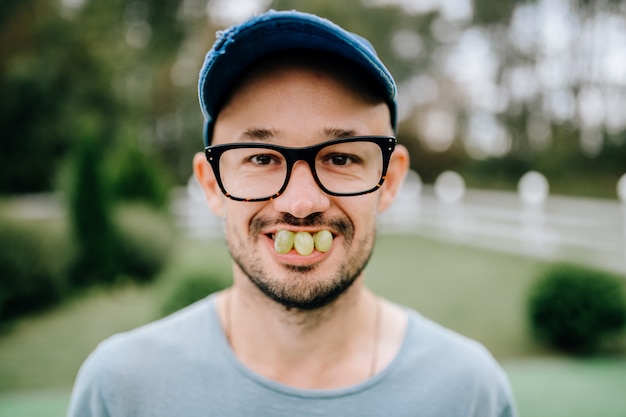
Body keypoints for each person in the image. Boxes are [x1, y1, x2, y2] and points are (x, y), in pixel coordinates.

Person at [67, 10, 517, 417]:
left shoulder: (469, 392)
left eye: (340, 158)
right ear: (211, 184)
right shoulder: (121, 390)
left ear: (390, 180)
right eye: (261, 158)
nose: (301, 204)